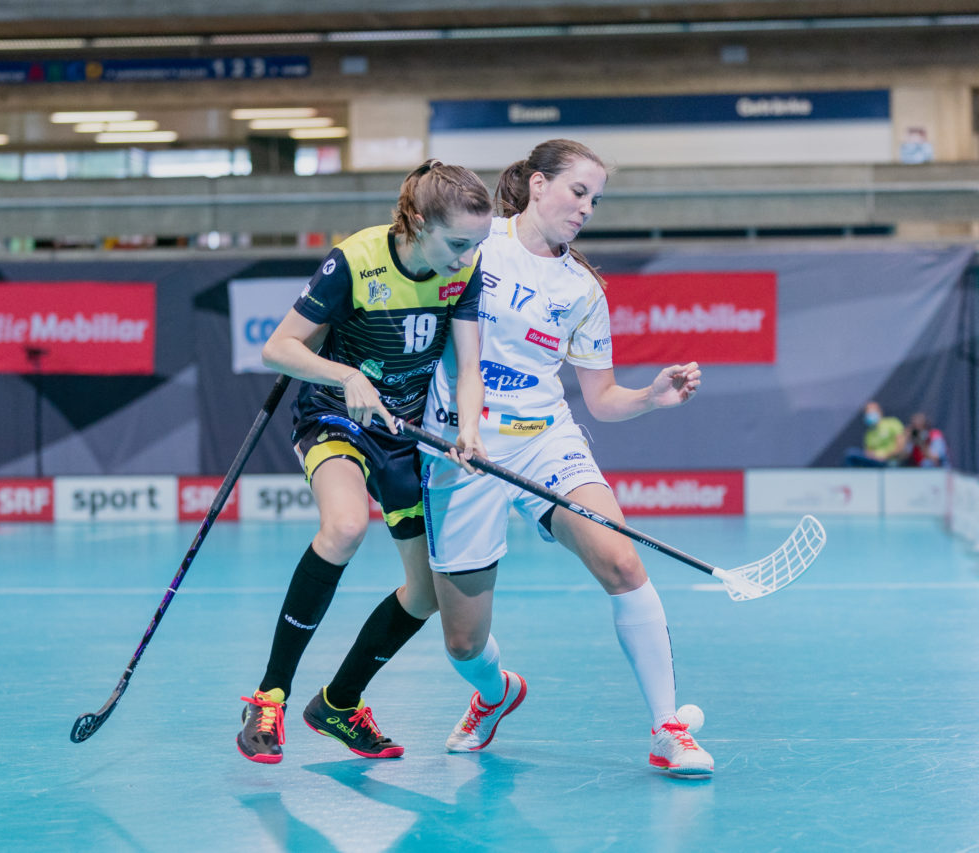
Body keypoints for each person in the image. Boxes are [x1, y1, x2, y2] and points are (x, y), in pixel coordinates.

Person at [419, 139, 713, 777]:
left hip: (542, 437)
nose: (586, 209)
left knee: (622, 559)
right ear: (537, 185)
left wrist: (651, 397)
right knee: (463, 642)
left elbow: (601, 400)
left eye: (595, 200)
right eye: (578, 192)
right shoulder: (476, 243)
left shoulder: (583, 289)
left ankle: (667, 730)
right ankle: (495, 694)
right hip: (461, 447)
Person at [237, 160, 492, 764]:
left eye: (474, 245)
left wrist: (470, 432)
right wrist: (345, 375)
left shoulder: (464, 271)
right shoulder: (355, 260)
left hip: (405, 434)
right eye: (457, 243)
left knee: (426, 593)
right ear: (418, 223)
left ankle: (339, 703)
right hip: (337, 418)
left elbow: (469, 367)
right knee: (346, 525)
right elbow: (277, 348)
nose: (466, 257)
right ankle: (269, 696)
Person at [844, 400, 906, 467]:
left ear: (879, 412)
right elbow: (868, 451)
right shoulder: (869, 433)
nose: (869, 414)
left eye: (871, 412)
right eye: (867, 413)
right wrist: (872, 456)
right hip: (875, 462)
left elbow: (901, 447)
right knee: (851, 454)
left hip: (890, 461)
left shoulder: (892, 423)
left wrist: (885, 456)